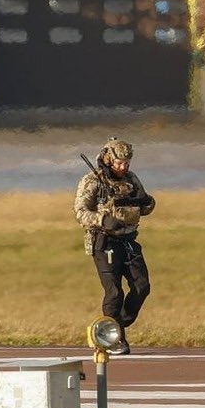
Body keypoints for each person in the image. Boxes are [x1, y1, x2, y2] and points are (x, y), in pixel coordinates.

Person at [75, 137, 155, 351]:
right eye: (119, 163)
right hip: (104, 241)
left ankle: (114, 325)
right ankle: (112, 339)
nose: (123, 167)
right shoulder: (93, 181)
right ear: (109, 159)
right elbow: (80, 212)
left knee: (142, 286)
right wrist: (102, 220)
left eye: (127, 163)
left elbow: (144, 206)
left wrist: (147, 203)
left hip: (128, 240)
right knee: (114, 293)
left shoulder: (131, 179)